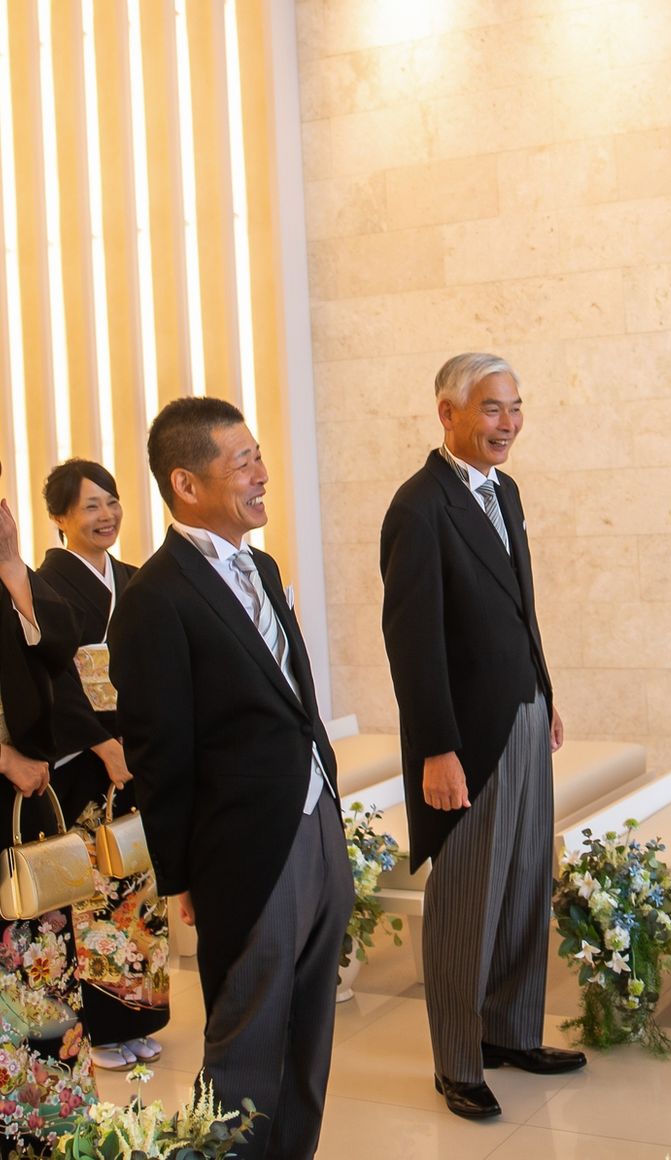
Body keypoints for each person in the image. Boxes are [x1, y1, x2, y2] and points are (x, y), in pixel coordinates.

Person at [108, 398, 353, 1160]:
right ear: (186, 483)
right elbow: (161, 753)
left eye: (258, 457)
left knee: (309, 1030)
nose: (262, 475)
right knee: (247, 1038)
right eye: (243, 463)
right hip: (244, 849)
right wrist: (183, 875)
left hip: (315, 820)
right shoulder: (154, 598)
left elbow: (293, 695)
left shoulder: (262, 567)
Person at [380, 352, 584, 1121]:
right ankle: (459, 1063)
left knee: (527, 880)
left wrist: (544, 690)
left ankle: (511, 1030)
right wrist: (437, 748)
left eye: (516, 407)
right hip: (464, 736)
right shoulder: (418, 507)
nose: (509, 423)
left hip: (523, 711)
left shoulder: (506, 491)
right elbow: (413, 644)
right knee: (468, 899)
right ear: (448, 413)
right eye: (493, 408)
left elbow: (520, 606)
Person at [38, 460, 168, 1072]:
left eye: (111, 501)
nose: (107, 515)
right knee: (95, 892)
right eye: (91, 505)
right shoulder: (44, 587)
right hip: (85, 760)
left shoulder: (136, 579)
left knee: (139, 885)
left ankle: (140, 1016)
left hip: (136, 749)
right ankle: (102, 1027)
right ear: (60, 517)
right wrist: (101, 744)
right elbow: (55, 680)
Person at [0, 460, 94, 1148]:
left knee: (39, 956)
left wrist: (13, 572)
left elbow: (61, 648)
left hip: (24, 797)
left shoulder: (12, 575)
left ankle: (52, 1120)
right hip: (10, 772)